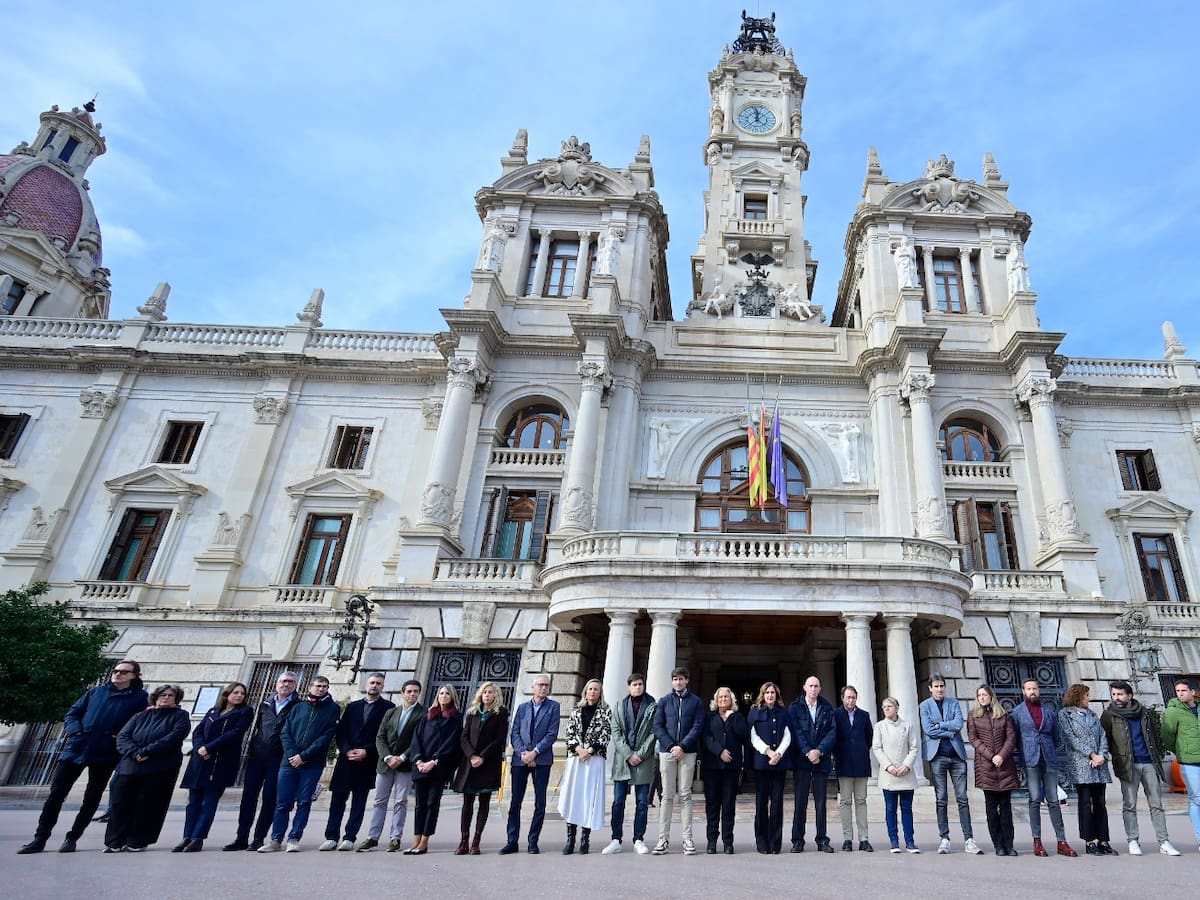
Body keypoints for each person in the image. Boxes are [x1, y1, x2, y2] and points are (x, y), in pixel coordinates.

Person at [18, 660, 148, 854]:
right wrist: (75, 732)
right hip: (77, 748)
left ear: (133, 676)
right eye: (116, 670)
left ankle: (72, 837)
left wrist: (118, 739)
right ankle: (40, 838)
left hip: (106, 752)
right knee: (56, 795)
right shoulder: (96, 692)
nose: (118, 674)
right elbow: (73, 713)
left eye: (123, 672)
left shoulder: (139, 698)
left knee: (91, 798)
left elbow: (138, 724)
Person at [104, 684, 190, 852]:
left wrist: (147, 751)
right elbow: (123, 736)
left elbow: (173, 737)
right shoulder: (140, 716)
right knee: (120, 803)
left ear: (176, 699)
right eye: (162, 695)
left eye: (170, 695)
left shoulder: (180, 716)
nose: (165, 697)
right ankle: (115, 841)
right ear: (156, 697)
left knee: (148, 805)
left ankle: (137, 840)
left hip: (159, 768)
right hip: (130, 766)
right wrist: (134, 752)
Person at [259, 675, 339, 853]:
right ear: (310, 687)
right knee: (282, 803)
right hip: (288, 763)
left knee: (304, 802)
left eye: (325, 686)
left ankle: (294, 838)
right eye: (318, 686)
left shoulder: (332, 709)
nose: (321, 689)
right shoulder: (298, 707)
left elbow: (326, 736)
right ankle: (275, 839)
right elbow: (285, 732)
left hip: (312, 763)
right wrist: (293, 755)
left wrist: (304, 756)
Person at [1101, 679, 1179, 856]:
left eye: (1120, 694)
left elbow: (1155, 736)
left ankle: (1164, 841)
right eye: (1114, 694)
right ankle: (1133, 840)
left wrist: (1158, 755)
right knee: (1129, 804)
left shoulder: (1145, 713)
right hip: (1127, 764)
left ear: (1129, 695)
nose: (1116, 698)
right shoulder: (1109, 715)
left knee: (1156, 803)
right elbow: (1104, 739)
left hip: (1149, 762)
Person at [319, 672, 394, 851]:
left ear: (383, 686)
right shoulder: (353, 707)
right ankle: (331, 836)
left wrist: (366, 751)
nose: (374, 686)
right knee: (337, 800)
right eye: (372, 682)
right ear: (366, 685)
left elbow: (384, 736)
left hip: (367, 761)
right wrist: (346, 750)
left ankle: (350, 836)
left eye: (378, 683)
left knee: (359, 802)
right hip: (346, 760)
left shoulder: (388, 708)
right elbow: (341, 731)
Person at [225, 671, 298, 851]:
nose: (286, 684)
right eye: (283, 681)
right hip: (257, 756)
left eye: (290, 682)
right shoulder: (264, 703)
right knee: (248, 797)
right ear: (276, 684)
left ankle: (259, 838)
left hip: (278, 758)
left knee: (270, 798)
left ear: (295, 685)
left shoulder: (298, 705)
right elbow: (254, 728)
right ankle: (241, 837)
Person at [176, 682, 253, 852]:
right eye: (236, 692)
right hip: (200, 760)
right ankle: (186, 836)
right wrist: (199, 748)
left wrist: (209, 748)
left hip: (220, 761)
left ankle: (198, 837)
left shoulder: (244, 712)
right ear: (227, 694)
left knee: (209, 802)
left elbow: (234, 733)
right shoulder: (213, 711)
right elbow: (198, 731)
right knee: (193, 802)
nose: (240, 696)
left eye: (242, 693)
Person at [1010, 678, 1078, 857]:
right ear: (1023, 691)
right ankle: (1037, 840)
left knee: (1054, 801)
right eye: (1029, 689)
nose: (1032, 691)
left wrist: (1048, 749)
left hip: (1049, 759)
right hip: (1031, 760)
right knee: (1034, 799)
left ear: (1039, 690)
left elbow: (1056, 736)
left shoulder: (1048, 711)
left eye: (1035, 688)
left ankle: (1061, 841)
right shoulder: (1017, 713)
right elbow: (1014, 737)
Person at [918, 675, 982, 854]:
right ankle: (944, 838)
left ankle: (969, 838)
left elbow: (958, 725)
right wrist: (947, 731)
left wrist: (940, 726)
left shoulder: (953, 703)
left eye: (942, 686)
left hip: (957, 756)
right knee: (941, 799)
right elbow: (928, 730)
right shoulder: (924, 706)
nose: (940, 689)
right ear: (930, 688)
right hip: (937, 756)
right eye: (936, 686)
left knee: (962, 798)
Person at [361, 679, 425, 852]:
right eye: (409, 691)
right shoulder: (391, 712)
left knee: (400, 801)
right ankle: (372, 837)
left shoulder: (423, 713)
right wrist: (388, 757)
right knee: (379, 800)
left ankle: (395, 837)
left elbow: (419, 739)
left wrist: (403, 757)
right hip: (386, 764)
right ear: (402, 693)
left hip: (405, 765)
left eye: (416, 691)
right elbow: (380, 737)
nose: (413, 694)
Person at [499, 674, 560, 855]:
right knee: (515, 801)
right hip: (520, 760)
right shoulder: (523, 707)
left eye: (546, 685)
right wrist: (523, 753)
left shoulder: (554, 707)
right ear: (533, 687)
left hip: (542, 760)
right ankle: (512, 841)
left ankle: (533, 841)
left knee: (540, 803)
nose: (543, 688)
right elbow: (515, 732)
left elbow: (552, 733)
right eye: (540, 685)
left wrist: (535, 752)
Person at [651, 667, 705, 855]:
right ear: (672, 681)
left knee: (685, 794)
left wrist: (682, 746)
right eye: (675, 679)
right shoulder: (664, 701)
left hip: (688, 753)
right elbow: (657, 726)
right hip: (667, 753)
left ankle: (687, 838)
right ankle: (662, 839)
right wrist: (671, 746)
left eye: (681, 679)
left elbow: (698, 726)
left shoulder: (696, 702)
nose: (678, 682)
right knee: (666, 795)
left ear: (687, 680)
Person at [451, 682, 509, 855]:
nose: (487, 695)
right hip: (470, 763)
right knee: (467, 803)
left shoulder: (500, 713)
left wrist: (482, 756)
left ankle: (476, 841)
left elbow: (499, 739)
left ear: (496, 695)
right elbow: (464, 737)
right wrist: (471, 756)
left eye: (491, 692)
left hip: (487, 763)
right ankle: (463, 841)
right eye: (484, 692)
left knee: (484, 802)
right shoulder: (473, 712)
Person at [602, 673, 657, 855]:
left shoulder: (652, 706)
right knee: (618, 801)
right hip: (623, 761)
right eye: (634, 684)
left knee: (642, 803)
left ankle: (638, 839)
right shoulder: (619, 706)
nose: (638, 687)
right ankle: (616, 839)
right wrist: (628, 754)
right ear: (629, 686)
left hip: (643, 760)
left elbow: (653, 732)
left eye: (640, 684)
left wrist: (639, 754)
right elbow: (615, 732)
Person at [404, 684, 463, 854]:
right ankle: (415, 840)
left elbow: (451, 743)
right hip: (421, 766)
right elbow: (417, 739)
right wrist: (418, 760)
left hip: (438, 767)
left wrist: (434, 761)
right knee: (419, 805)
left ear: (452, 697)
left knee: (432, 803)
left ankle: (424, 840)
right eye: (441, 693)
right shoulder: (427, 716)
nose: (443, 696)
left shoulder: (455, 717)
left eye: (447, 694)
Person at [1058, 683, 1114, 855]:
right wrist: (1091, 755)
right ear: (1078, 696)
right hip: (1081, 764)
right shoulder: (1064, 714)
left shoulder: (1092, 714)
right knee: (1084, 803)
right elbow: (1070, 738)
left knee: (1100, 803)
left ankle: (1103, 840)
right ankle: (1089, 841)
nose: (1089, 698)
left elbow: (1103, 735)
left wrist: (1102, 755)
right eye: (1087, 695)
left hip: (1098, 764)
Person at [559, 678, 611, 855]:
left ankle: (584, 840)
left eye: (596, 689)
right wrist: (579, 750)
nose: (593, 692)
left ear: (600, 692)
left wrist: (589, 750)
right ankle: (570, 839)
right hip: (576, 758)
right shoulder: (576, 710)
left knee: (589, 798)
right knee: (574, 797)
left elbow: (606, 734)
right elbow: (570, 732)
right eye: (590, 689)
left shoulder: (605, 711)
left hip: (594, 759)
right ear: (585, 691)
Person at [966, 684, 1019, 856]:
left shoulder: (1003, 716)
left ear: (991, 696)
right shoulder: (973, 716)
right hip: (986, 767)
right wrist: (991, 756)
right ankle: (998, 845)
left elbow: (1011, 738)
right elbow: (973, 739)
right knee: (991, 807)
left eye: (984, 694)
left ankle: (1009, 844)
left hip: (1005, 767)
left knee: (1005, 807)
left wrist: (1001, 756)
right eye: (979, 695)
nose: (982, 698)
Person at [788, 674, 836, 853]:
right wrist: (808, 751)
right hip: (802, 761)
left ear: (820, 688)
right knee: (800, 802)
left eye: (816, 686)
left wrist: (819, 751)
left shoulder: (827, 707)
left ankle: (822, 839)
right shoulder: (795, 708)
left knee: (821, 803)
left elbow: (832, 733)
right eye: (811, 686)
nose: (813, 689)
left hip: (821, 761)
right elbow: (796, 732)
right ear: (804, 687)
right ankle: (797, 840)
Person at [701, 686, 748, 854]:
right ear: (716, 700)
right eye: (720, 697)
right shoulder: (709, 717)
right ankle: (711, 841)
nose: (723, 700)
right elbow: (706, 737)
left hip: (731, 768)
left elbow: (743, 734)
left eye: (726, 697)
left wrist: (732, 718)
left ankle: (728, 841)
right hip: (712, 766)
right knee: (712, 805)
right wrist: (719, 751)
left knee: (729, 805)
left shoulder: (738, 717)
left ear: (731, 700)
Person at [872, 697, 920, 853]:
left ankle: (910, 841)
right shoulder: (879, 727)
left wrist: (906, 765)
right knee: (890, 809)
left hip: (906, 774)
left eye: (889, 706)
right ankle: (894, 841)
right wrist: (889, 767)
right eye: (884, 706)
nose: (886, 709)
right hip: (889, 775)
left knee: (907, 808)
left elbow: (914, 747)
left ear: (897, 708)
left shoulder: (907, 726)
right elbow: (877, 748)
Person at [748, 681, 791, 854]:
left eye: (773, 692)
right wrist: (768, 752)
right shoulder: (755, 712)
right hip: (762, 763)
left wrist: (778, 754)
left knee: (777, 804)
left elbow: (788, 735)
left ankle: (775, 843)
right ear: (762, 695)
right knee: (761, 803)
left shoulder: (784, 713)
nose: (770, 696)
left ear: (777, 695)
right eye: (767, 693)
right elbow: (753, 736)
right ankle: (762, 842)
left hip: (779, 764)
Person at [1160, 678, 1200, 852]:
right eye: (1178, 691)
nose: (1180, 694)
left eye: (1184, 690)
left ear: (1193, 692)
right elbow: (1167, 736)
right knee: (1196, 798)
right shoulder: (1173, 711)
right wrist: (1180, 749)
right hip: (1189, 760)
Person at [834, 684, 874, 852]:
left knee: (861, 801)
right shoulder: (835, 715)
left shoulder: (864, 715)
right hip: (843, 763)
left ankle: (864, 839)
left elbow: (869, 737)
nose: (850, 700)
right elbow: (833, 736)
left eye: (853, 697)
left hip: (861, 763)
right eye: (848, 697)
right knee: (845, 802)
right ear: (842, 698)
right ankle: (847, 838)